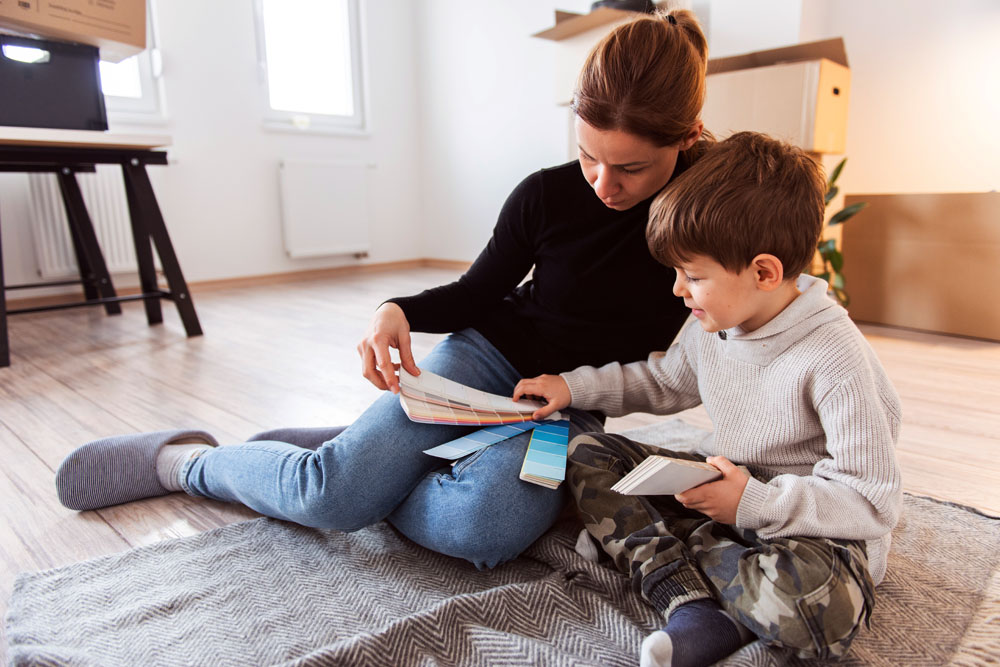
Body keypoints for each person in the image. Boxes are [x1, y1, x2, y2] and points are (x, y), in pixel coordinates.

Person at [55, 10, 712, 570]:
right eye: (588, 154)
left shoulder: (711, 211)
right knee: (329, 498)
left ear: (687, 139)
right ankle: (187, 460)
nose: (603, 183)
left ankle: (366, 457)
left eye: (630, 168)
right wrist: (392, 308)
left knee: (485, 531)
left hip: (570, 409)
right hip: (485, 361)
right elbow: (476, 291)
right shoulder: (545, 194)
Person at [512, 132, 902, 666]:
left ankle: (674, 570)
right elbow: (663, 382)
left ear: (764, 272)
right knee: (584, 452)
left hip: (814, 530)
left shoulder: (837, 358)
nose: (677, 290)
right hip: (727, 490)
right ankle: (695, 601)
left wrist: (752, 504)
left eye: (692, 276)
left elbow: (873, 502)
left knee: (819, 609)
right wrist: (572, 386)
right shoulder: (714, 322)